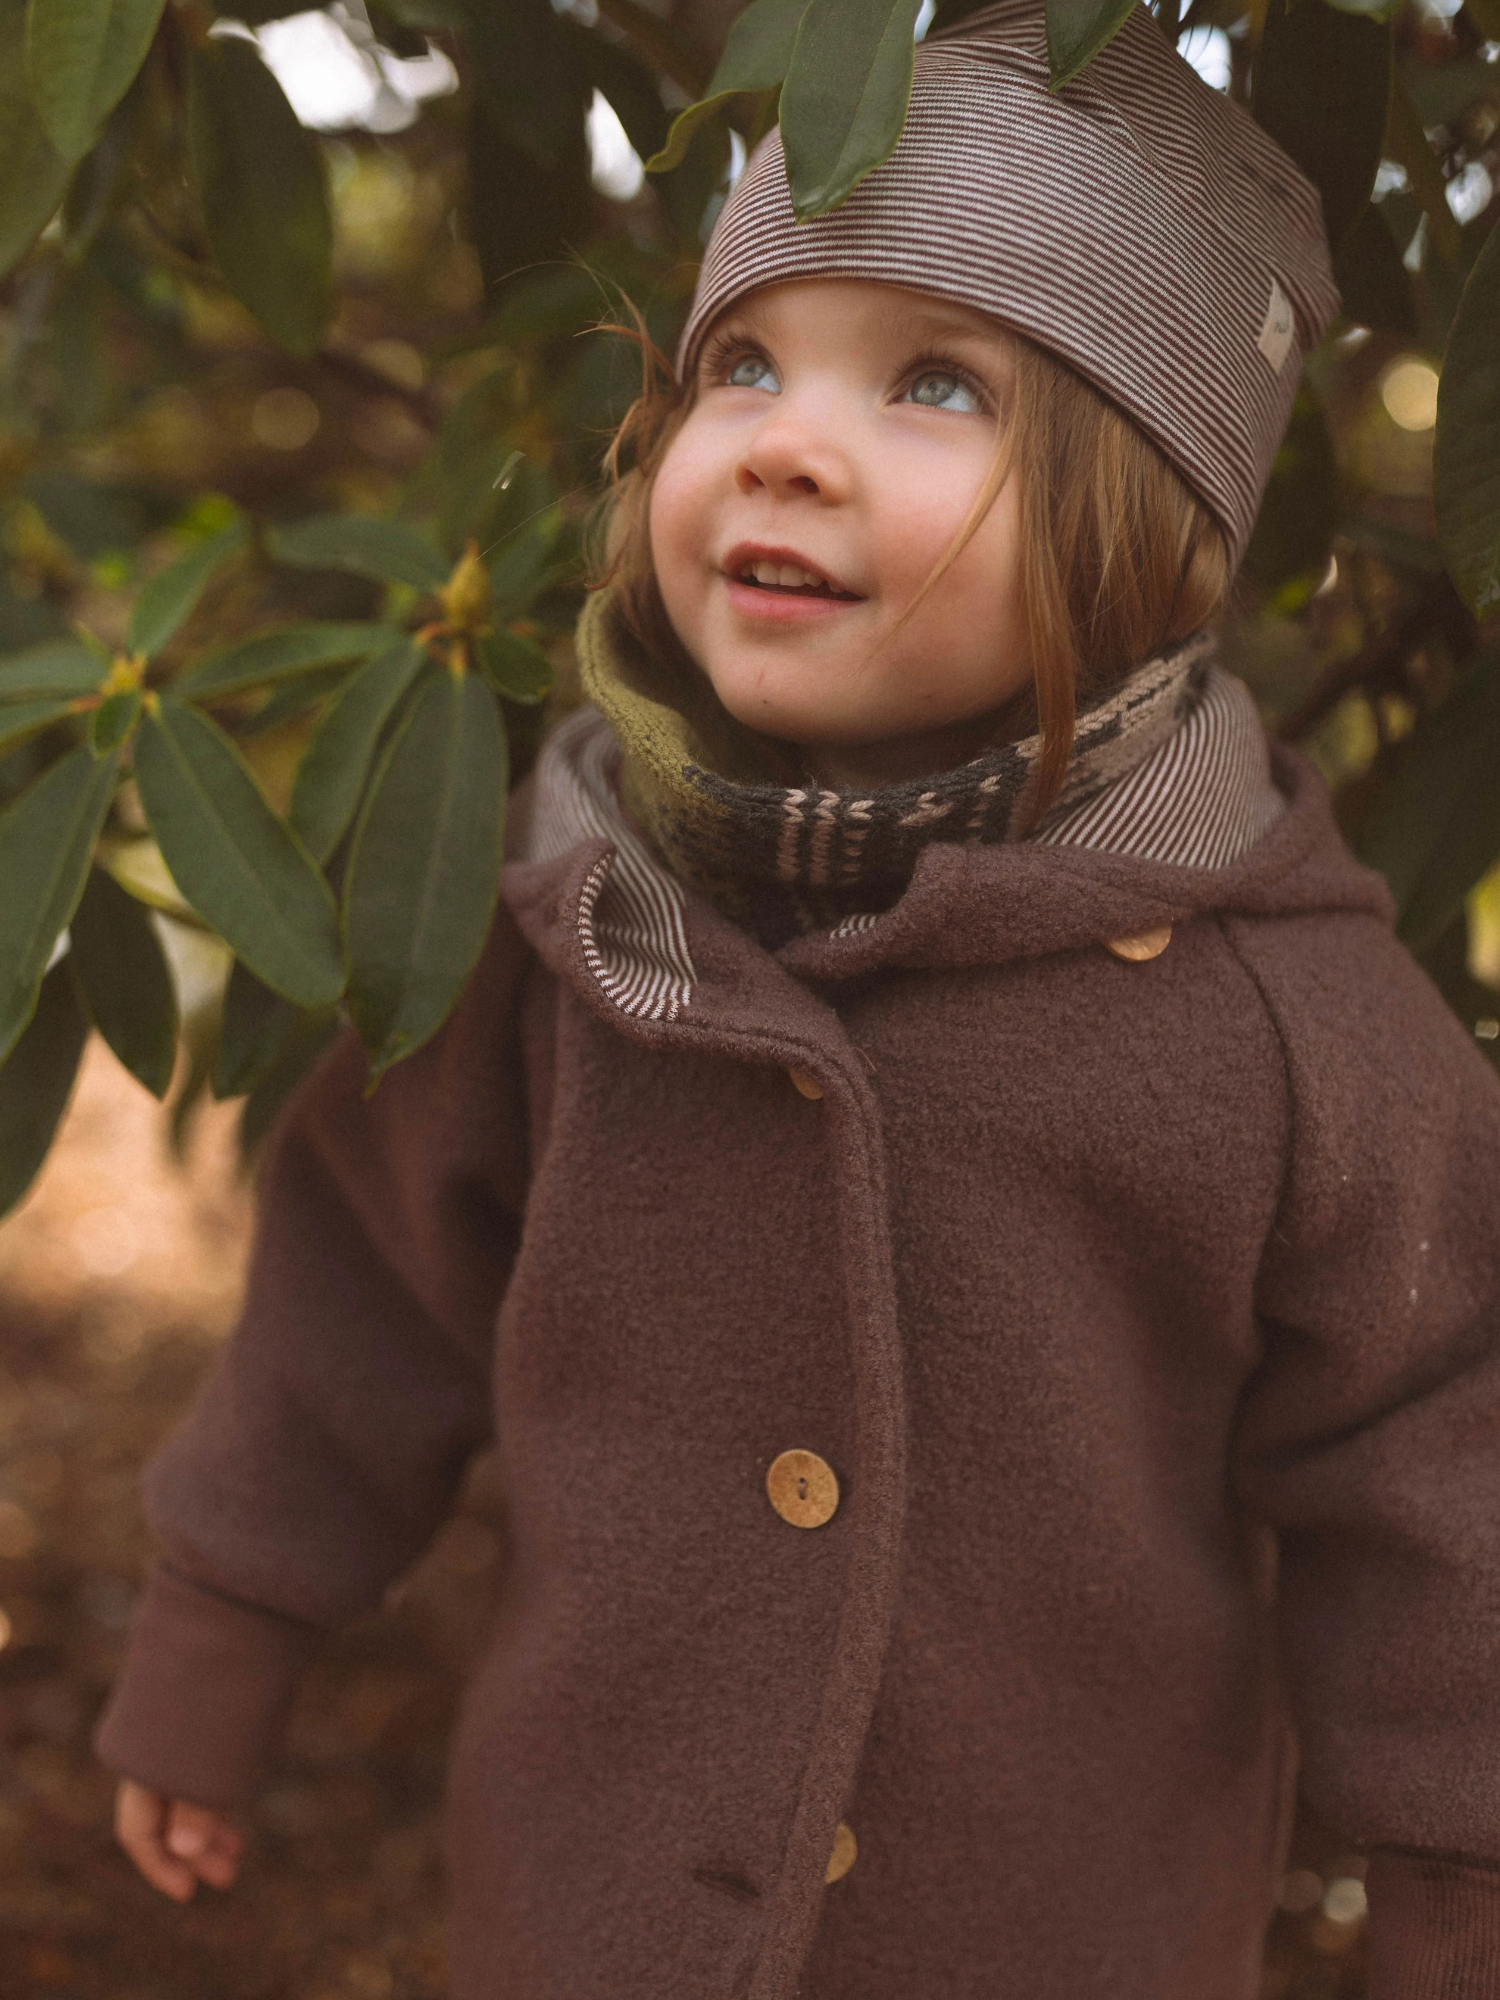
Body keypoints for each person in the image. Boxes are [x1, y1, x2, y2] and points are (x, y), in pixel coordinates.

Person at [95, 4, 1500, 1996]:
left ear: (1143, 531)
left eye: (937, 386)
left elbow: (1444, 1461)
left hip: (1060, 1935)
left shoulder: (1283, 1022)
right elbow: (358, 1289)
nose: (782, 441)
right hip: (588, 1919)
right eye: (736, 363)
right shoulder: (576, 913)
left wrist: (1462, 1876)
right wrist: (222, 1621)